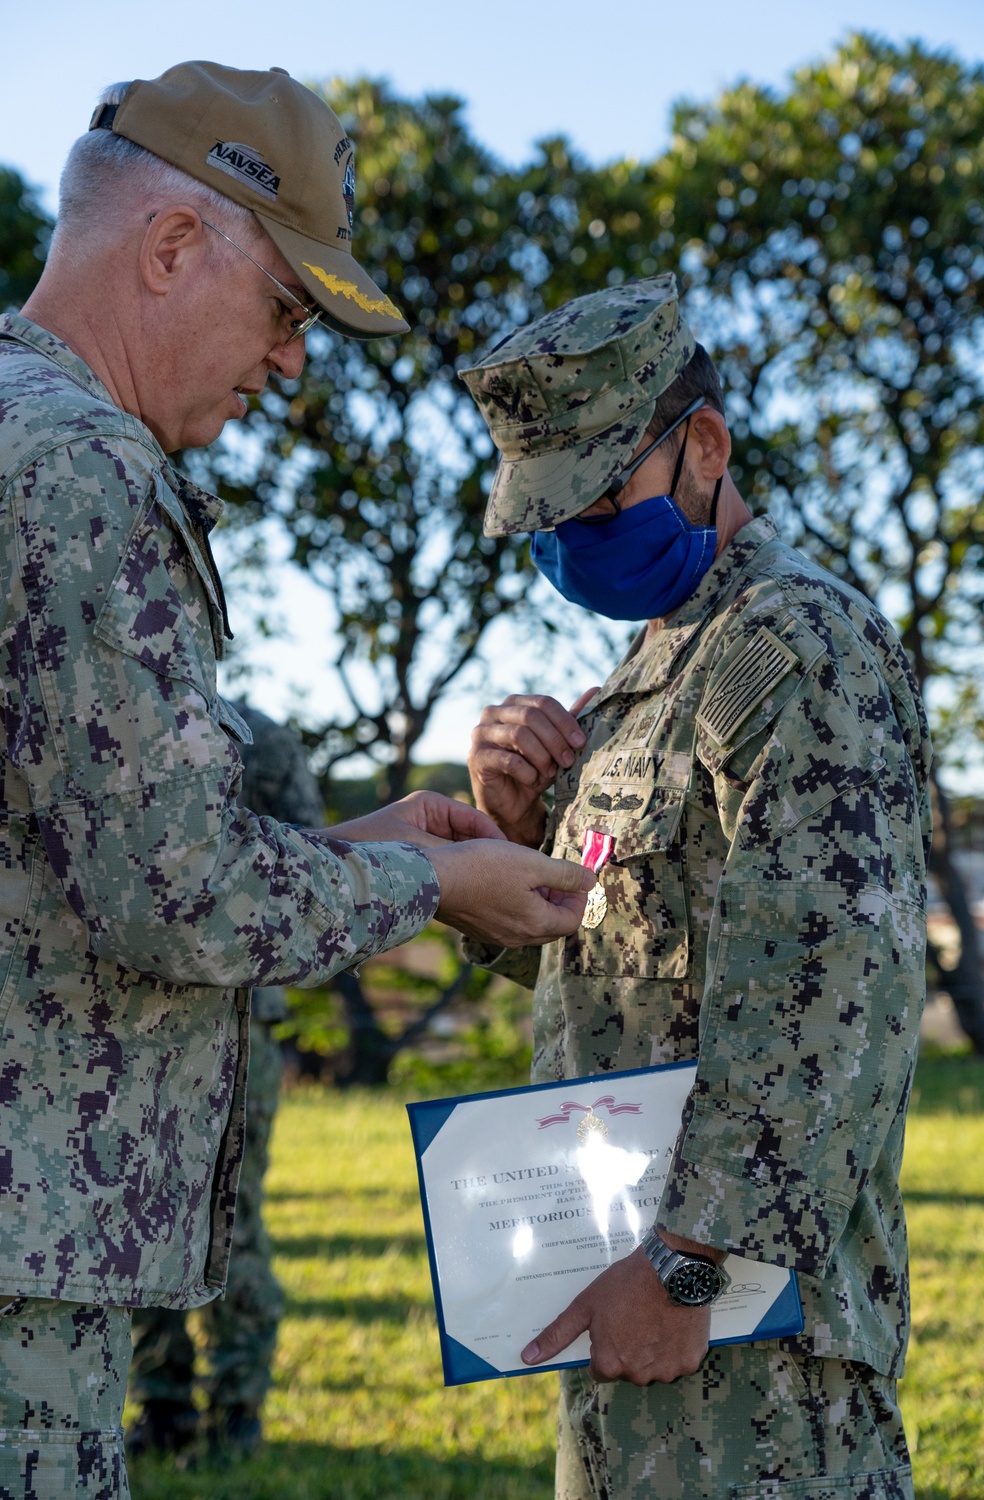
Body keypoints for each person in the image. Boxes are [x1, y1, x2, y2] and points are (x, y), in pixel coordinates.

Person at [0, 61, 594, 1498]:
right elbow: (181, 901)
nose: (290, 365)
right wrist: (432, 880)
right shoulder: (86, 471)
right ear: (169, 248)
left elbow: (71, 868)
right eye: (285, 311)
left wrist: (357, 846)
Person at [462, 273, 930, 1500]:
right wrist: (515, 833)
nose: (570, 544)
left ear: (704, 446)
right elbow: (611, 954)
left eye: (594, 500)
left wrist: (687, 1266)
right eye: (547, 521)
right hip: (629, 1293)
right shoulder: (655, 670)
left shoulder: (798, 646)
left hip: (749, 1332)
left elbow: (835, 998)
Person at [128, 705, 325, 1458]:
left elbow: (315, 863)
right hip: (192, 1014)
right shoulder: (251, 734)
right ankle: (182, 1408)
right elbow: (315, 860)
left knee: (207, 1222)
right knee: (178, 1220)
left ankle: (210, 1409)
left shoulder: (143, 724)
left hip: (205, 1016)